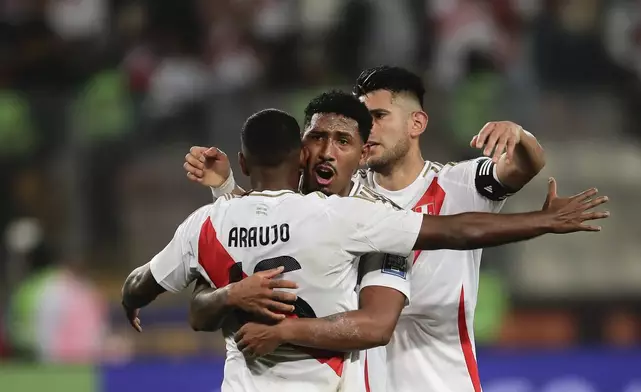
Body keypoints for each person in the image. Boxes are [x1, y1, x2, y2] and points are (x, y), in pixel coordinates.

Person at [133, 106, 607, 392]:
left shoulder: (368, 219)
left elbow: (379, 324)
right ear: (302, 152)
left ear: (362, 154)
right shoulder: (346, 220)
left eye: (342, 140)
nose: (326, 152)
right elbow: (256, 240)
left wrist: (280, 327)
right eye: (317, 139)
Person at [183, 66, 549, 392]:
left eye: (378, 116)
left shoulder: (458, 183)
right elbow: (264, 222)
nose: (368, 128)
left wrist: (519, 135)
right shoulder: (344, 199)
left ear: (416, 123)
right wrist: (226, 188)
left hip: (438, 380)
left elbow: (523, 167)